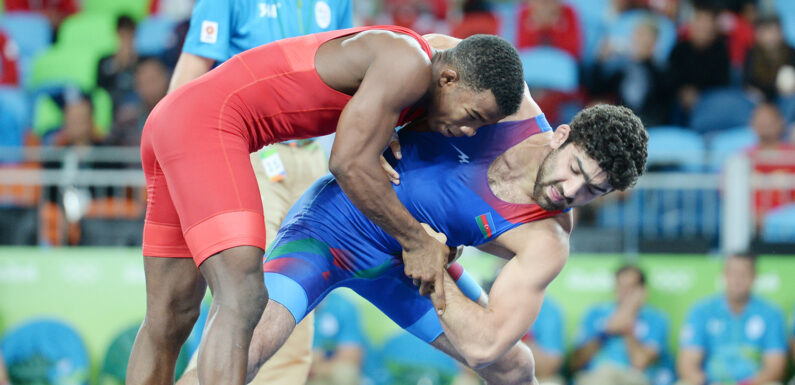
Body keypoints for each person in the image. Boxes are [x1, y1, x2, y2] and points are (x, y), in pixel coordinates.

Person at [175, 48, 648, 383]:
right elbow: (401, 58)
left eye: (593, 191)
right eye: (575, 171)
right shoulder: (507, 102)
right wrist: (375, 123)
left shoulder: (547, 240)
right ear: (562, 135)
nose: (570, 192)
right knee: (251, 345)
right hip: (331, 227)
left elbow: (483, 345)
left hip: (409, 268)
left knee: (514, 367)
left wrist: (431, 263)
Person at [128, 25, 526, 385]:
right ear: (449, 78)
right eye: (472, 115)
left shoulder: (413, 72)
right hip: (211, 124)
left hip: (175, 119)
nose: (469, 129)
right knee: (244, 295)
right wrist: (417, 242)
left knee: (171, 316)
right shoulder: (410, 64)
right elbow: (347, 163)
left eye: (480, 127)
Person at [167, 1, 353, 381]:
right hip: (249, 152)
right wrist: (171, 164)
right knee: (254, 294)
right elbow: (190, 72)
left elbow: (349, 75)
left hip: (313, 157)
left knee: (297, 299)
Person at [676, 252, 787, 385]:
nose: (738, 279)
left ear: (754, 277)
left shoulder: (771, 313)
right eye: (733, 273)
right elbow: (687, 363)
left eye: (744, 274)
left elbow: (775, 367)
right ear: (723, 275)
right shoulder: (701, 310)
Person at [571, 265, 670, 385]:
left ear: (643, 290)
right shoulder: (596, 313)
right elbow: (575, 363)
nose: (625, 292)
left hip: (635, 379)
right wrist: (606, 332)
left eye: (631, 287)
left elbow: (640, 362)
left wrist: (627, 328)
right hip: (597, 376)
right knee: (604, 375)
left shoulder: (656, 319)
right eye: (621, 287)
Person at [668, 2, 730, 124]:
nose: (704, 28)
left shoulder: (721, 51)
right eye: (700, 23)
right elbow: (670, 79)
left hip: (710, 100)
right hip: (681, 101)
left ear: (714, 28)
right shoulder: (679, 49)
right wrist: (683, 92)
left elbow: (722, 82)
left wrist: (700, 95)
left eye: (707, 24)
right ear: (692, 26)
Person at [307, 292, 365, 385]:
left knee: (345, 373)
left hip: (324, 369)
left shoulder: (343, 305)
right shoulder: (283, 305)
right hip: (290, 368)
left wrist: (318, 367)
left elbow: (351, 356)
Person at [522, 298, 565, 385]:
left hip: (532, 377)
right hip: (492, 376)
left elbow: (548, 368)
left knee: (550, 383)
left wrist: (520, 335)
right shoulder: (489, 302)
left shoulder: (547, 308)